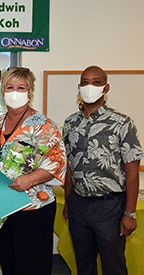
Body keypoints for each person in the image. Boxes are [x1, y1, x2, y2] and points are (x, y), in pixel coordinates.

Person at [0, 67, 67, 275]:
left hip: (33, 207)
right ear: (2, 91)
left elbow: (58, 161)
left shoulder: (43, 126)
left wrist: (31, 179)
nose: (15, 92)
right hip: (0, 207)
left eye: (21, 87)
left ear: (30, 92)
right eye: (10, 87)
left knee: (31, 267)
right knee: (9, 264)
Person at [63, 65, 143, 275]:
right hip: (78, 206)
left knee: (113, 266)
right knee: (83, 265)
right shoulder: (70, 123)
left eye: (96, 82)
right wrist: (69, 200)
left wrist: (130, 213)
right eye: (85, 82)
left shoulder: (121, 123)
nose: (90, 87)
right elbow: (69, 165)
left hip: (110, 208)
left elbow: (132, 170)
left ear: (106, 88)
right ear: (79, 87)